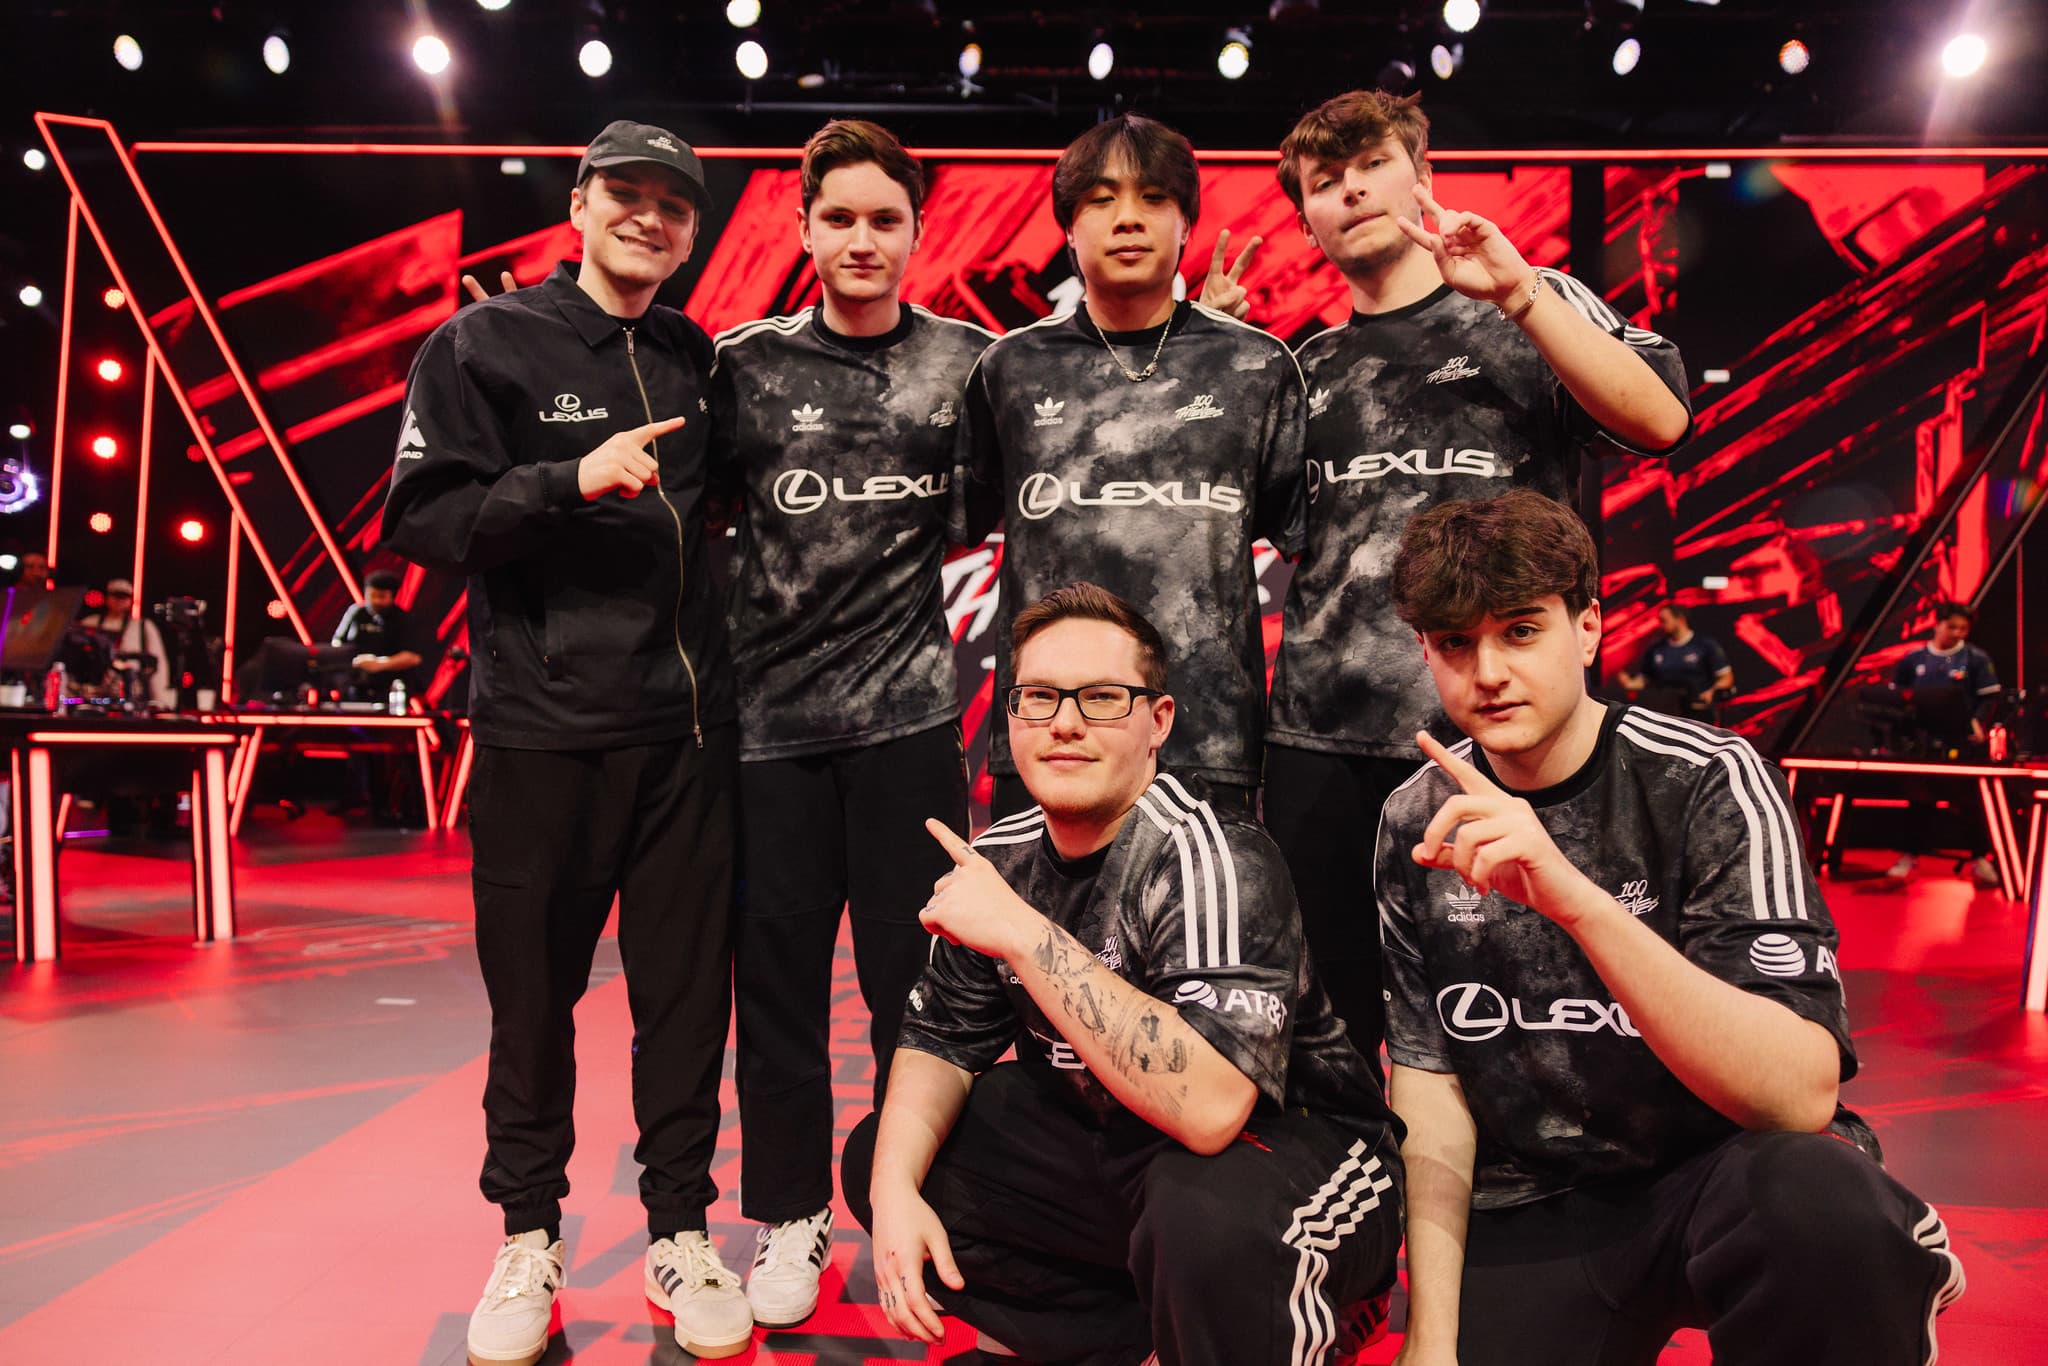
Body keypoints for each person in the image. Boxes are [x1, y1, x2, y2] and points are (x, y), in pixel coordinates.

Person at [1375, 491, 1963, 1366]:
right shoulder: (1416, 816)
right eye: (1456, 643)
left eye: (1521, 631)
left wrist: (1575, 899)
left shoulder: (1711, 779)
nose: (1488, 671)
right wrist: (1431, 1339)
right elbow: (1430, 1089)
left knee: (1821, 1206)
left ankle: (1887, 1255)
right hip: (1531, 1194)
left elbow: (1797, 1094)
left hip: (1721, 1173)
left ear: (1588, 628)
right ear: (1425, 651)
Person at [381, 120, 752, 1364]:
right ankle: (528, 1236)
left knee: (685, 1007)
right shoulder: (481, 344)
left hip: (684, 739)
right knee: (533, 1007)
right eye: (626, 194)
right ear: (579, 205)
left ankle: (679, 1229)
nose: (649, 217)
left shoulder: (696, 357)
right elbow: (424, 519)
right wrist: (564, 479)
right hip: (541, 739)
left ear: (689, 234)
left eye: (673, 205)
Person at [842, 583, 1403, 1366]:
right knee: (887, 1156)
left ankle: (1307, 1304)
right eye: (1039, 697)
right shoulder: (1004, 856)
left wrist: (1023, 933)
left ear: (1158, 722)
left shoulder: (1214, 856)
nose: (1065, 722)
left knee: (1200, 1217)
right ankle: (1146, 1337)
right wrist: (894, 1192)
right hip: (1122, 1145)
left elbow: (1210, 1109)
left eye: (1102, 699)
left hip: (1294, 1150)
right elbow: (939, 1040)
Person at [1246, 89, 1691, 1063]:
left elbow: (1660, 420)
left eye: (1372, 165)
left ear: (1422, 179)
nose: (1351, 190)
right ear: (1306, 221)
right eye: (1324, 181)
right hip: (1320, 742)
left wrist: (1521, 294)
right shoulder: (1302, 368)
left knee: (1509, 1016)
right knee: (1327, 1032)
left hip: (1497, 733)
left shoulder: (1526, 300)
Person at [707, 118, 987, 1330]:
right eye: (839, 218)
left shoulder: (969, 365)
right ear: (804, 226)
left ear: (917, 231)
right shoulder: (741, 366)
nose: (861, 239)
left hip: (907, 727)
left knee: (913, 991)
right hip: (767, 736)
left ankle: (912, 1195)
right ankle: (789, 1214)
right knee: (773, 992)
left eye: (884, 219)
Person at [954, 113, 1306, 822]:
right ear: (1068, 228)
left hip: (1210, 733)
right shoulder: (1009, 369)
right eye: (1101, 199)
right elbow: (964, 517)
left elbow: (1297, 536)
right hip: (1050, 736)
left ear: (1186, 223)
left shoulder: (1256, 366)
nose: (1127, 219)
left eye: (1153, 198)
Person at [1885, 600, 2002, 884]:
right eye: (1952, 627)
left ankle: (1980, 860)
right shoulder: (1913, 659)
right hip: (1922, 747)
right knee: (1918, 802)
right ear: (1937, 624)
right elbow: (1896, 698)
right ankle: (1909, 857)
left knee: (1970, 804)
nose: (1958, 633)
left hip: (1962, 746)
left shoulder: (1975, 659)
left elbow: (1990, 698)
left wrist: (1978, 723)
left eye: (1963, 628)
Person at [1617, 601, 1734, 712]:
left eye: (1664, 621)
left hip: (1698, 709)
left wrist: (1711, 692)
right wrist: (1629, 684)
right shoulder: (1656, 649)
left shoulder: (1704, 645)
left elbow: (1726, 677)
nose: (1661, 625)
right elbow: (1644, 679)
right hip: (1666, 710)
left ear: (1680, 620)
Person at [77, 578, 174, 708]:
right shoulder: (90, 624)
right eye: (116, 596)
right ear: (107, 598)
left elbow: (158, 664)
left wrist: (159, 701)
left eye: (124, 597)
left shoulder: (142, 627)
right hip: (92, 697)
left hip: (131, 696)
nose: (119, 601)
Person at [331, 568, 423, 702]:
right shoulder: (356, 613)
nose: (376, 601)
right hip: (354, 685)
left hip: (390, 688)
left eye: (381, 596)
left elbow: (413, 657)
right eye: (372, 595)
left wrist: (379, 664)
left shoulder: (402, 619)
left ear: (392, 596)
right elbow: (337, 644)